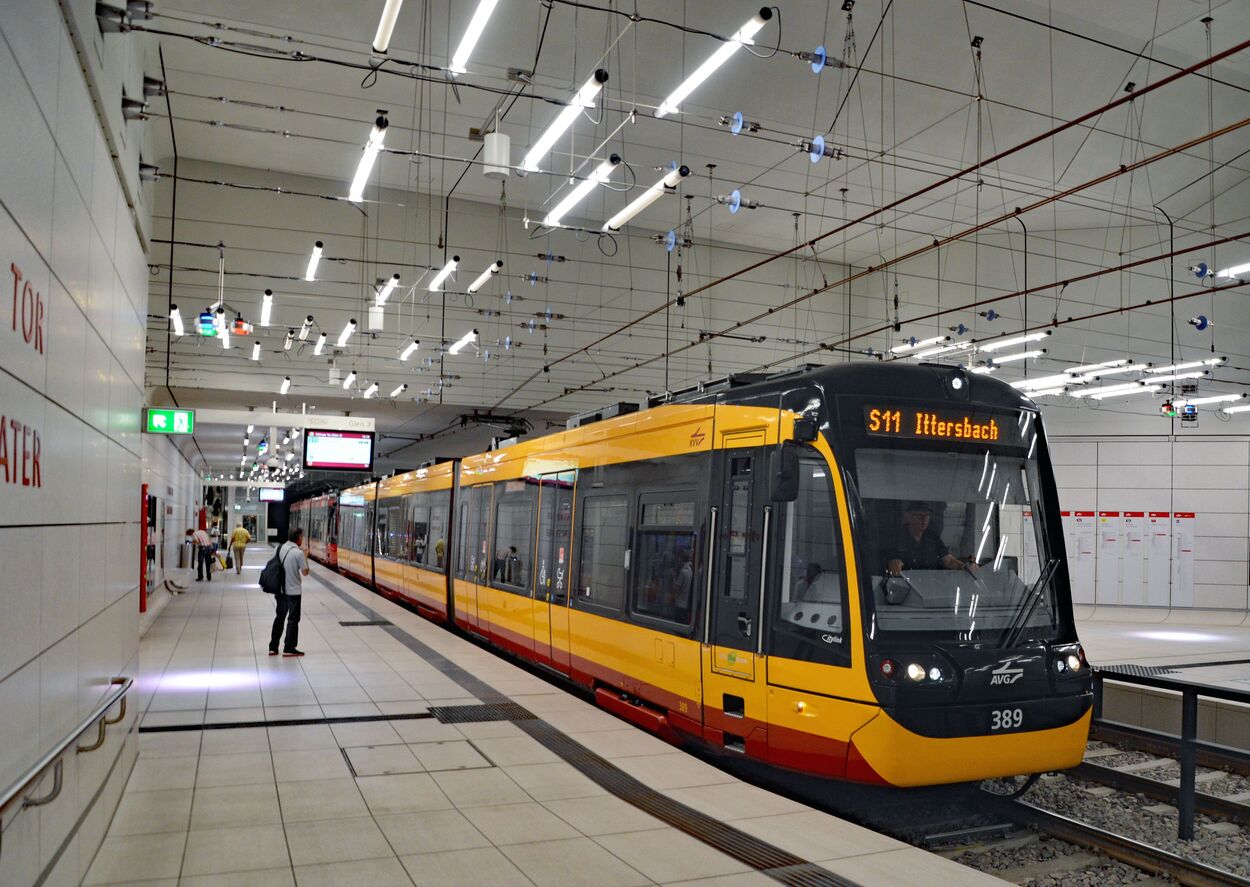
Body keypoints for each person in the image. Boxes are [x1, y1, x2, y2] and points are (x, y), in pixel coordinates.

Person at [885, 502, 976, 576]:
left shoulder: (932, 537)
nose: (924, 519)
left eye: (926, 515)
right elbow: (895, 571)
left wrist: (964, 566)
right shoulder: (897, 539)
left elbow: (948, 560)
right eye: (919, 515)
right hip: (909, 590)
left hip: (932, 586)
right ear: (908, 517)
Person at [269, 528, 310, 657]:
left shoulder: (278, 548)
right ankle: (289, 647)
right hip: (293, 592)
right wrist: (305, 557)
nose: (302, 539)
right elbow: (305, 572)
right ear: (298, 537)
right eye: (302, 537)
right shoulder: (298, 553)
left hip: (280, 591)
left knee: (279, 617)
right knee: (293, 619)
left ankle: (273, 647)